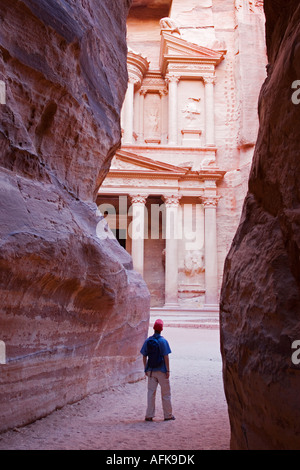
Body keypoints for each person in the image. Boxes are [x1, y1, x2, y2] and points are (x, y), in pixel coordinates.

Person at [140, 319, 175, 422]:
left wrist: (145, 368)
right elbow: (166, 357)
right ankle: (168, 415)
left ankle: (149, 415)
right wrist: (168, 371)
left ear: (154, 328)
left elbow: (144, 355)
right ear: (161, 329)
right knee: (166, 394)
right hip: (162, 371)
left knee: (151, 393)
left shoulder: (148, 341)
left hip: (151, 371)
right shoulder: (163, 341)